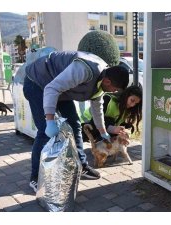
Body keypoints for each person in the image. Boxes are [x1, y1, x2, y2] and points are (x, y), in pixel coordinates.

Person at [23, 51, 129, 192]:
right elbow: (51, 88)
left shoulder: (103, 81)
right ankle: (35, 177)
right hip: (38, 83)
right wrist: (49, 121)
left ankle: (82, 167)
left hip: (59, 88)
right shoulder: (84, 70)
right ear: (107, 81)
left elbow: (97, 107)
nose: (114, 92)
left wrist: (103, 132)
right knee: (44, 132)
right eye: (115, 89)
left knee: (75, 126)